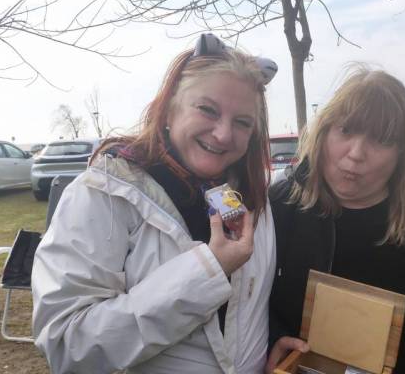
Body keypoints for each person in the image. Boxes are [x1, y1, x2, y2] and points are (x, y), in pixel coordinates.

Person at [32, 33, 278, 374]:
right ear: (169, 109)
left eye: (242, 122)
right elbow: (66, 345)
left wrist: (273, 345)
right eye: (208, 109)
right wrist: (207, 272)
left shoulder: (253, 198)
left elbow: (248, 312)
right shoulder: (105, 193)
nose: (223, 134)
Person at [266, 68, 405, 374]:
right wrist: (274, 336)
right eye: (345, 130)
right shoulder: (281, 206)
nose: (356, 154)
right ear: (323, 131)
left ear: (402, 154)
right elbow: (248, 295)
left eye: (381, 140)